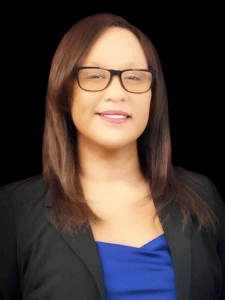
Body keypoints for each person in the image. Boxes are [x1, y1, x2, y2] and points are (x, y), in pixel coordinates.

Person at [0, 13, 224, 300]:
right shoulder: (13, 211)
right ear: (64, 91)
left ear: (153, 96)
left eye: (133, 77)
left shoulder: (202, 197)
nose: (117, 93)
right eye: (95, 75)